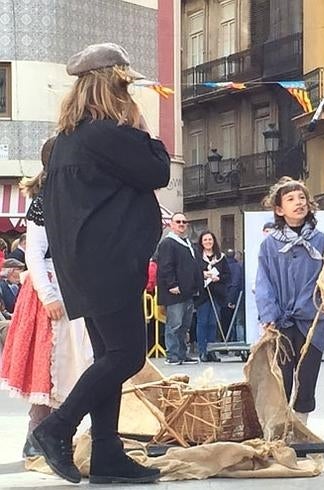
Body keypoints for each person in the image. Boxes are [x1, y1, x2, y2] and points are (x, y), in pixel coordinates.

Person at [31, 43, 171, 485]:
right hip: (112, 262)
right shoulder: (108, 134)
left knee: (111, 354)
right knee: (127, 354)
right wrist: (144, 126)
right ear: (115, 88)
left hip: (85, 264)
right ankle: (57, 428)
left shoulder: (63, 143)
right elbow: (158, 171)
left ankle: (107, 454)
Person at [0, 137, 93, 459]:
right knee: (49, 365)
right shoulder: (44, 201)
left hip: (74, 288)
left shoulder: (75, 196)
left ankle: (55, 434)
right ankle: (37, 434)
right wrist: (49, 295)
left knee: (77, 364)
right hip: (51, 291)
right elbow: (35, 256)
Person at [255, 177, 324, 425]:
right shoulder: (269, 245)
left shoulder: (322, 242)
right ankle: (282, 427)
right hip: (282, 322)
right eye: (290, 199)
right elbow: (263, 282)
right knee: (284, 378)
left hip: (314, 321)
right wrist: (268, 316)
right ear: (279, 209)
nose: (298, 203)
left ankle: (301, 428)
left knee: (307, 377)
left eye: (302, 198)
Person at [157, 213, 201, 365]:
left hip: (187, 292)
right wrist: (172, 284)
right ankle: (173, 355)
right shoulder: (168, 243)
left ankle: (182, 354)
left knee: (184, 326)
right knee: (174, 325)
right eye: (178, 221)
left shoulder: (187, 243)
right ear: (171, 224)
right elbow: (165, 266)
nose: (181, 224)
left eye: (184, 222)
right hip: (175, 292)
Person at [195, 232, 230, 362]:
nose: (208, 242)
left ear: (214, 241)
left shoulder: (221, 257)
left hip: (216, 294)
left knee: (213, 323)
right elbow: (193, 273)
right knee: (202, 322)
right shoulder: (197, 258)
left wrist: (218, 278)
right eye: (205, 240)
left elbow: (228, 276)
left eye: (210, 239)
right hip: (203, 295)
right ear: (201, 242)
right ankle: (202, 351)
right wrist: (202, 275)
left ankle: (212, 351)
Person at [220, 248, 244, 343]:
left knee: (225, 322)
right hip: (236, 298)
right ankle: (238, 342)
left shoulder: (223, 267)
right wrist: (232, 300)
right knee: (238, 322)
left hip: (223, 298)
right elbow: (235, 284)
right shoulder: (238, 267)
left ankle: (225, 342)